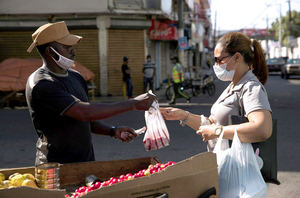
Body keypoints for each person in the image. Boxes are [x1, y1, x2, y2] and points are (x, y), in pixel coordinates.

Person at [25, 21, 156, 165]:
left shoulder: (76, 77)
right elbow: (84, 112)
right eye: (67, 47)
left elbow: (86, 120)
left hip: (85, 161)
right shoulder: (41, 84)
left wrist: (113, 131)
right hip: (55, 165)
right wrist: (133, 104)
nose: (73, 51)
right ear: (50, 51)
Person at [161, 32, 272, 151]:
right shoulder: (233, 85)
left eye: (219, 60)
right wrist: (182, 115)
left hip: (238, 166)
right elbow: (212, 124)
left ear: (237, 57)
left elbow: (262, 129)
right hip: (221, 163)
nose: (216, 65)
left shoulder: (250, 88)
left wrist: (218, 131)